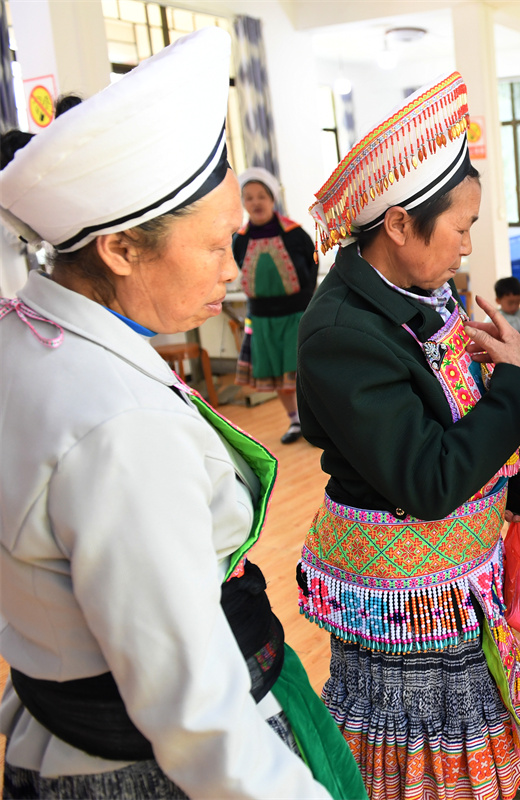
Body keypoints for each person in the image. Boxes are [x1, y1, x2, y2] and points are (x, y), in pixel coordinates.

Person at [0, 28, 363, 800]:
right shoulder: (122, 428)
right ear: (121, 248)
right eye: (215, 246)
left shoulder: (23, 337)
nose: (233, 271)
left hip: (59, 729)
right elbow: (200, 719)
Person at [296, 71, 520, 800]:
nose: (468, 247)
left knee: (464, 716)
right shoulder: (342, 333)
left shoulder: (421, 291)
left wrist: (507, 461)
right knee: (419, 733)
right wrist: (516, 384)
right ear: (397, 224)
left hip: (450, 571)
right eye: (460, 228)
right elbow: (429, 479)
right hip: (404, 583)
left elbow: (449, 411)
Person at [233, 166, 318, 443]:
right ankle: (295, 422)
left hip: (296, 314)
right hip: (261, 319)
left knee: (303, 373)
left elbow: (312, 265)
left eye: (261, 196)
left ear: (272, 199)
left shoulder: (295, 234)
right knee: (279, 375)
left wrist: (308, 303)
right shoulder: (239, 239)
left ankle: (317, 422)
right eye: (249, 197)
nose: (256, 202)